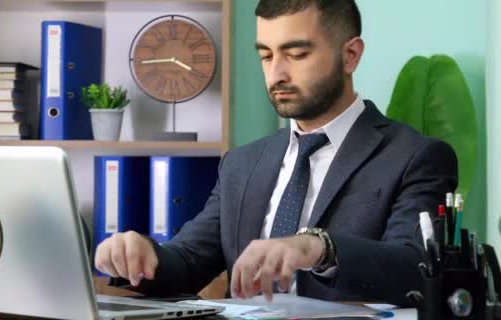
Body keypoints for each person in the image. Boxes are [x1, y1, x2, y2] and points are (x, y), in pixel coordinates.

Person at [95, 0, 457, 306]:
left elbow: (415, 270)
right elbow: (189, 261)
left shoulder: (415, 157)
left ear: (350, 55)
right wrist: (142, 256)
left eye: (296, 54)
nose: (276, 74)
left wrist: (319, 247)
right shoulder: (241, 164)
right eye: (266, 56)